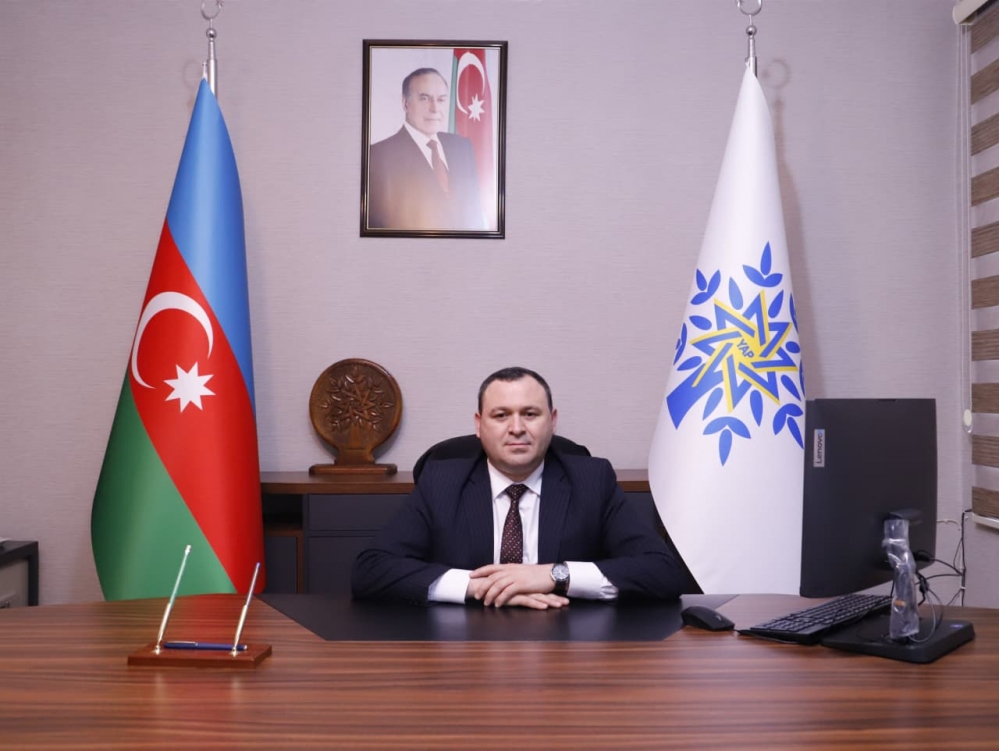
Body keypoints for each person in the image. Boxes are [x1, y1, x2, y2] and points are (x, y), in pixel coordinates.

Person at [351, 367, 692, 608]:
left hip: (567, 648)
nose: (516, 428)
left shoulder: (591, 480)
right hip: (463, 649)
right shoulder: (442, 481)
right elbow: (371, 570)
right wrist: (479, 586)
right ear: (479, 425)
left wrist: (555, 575)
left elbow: (662, 572)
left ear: (552, 421)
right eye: (501, 415)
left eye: (530, 414)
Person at [366, 67, 485, 231]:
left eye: (441, 100)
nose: (434, 109)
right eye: (424, 98)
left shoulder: (463, 148)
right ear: (405, 103)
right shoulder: (378, 157)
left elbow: (475, 214)